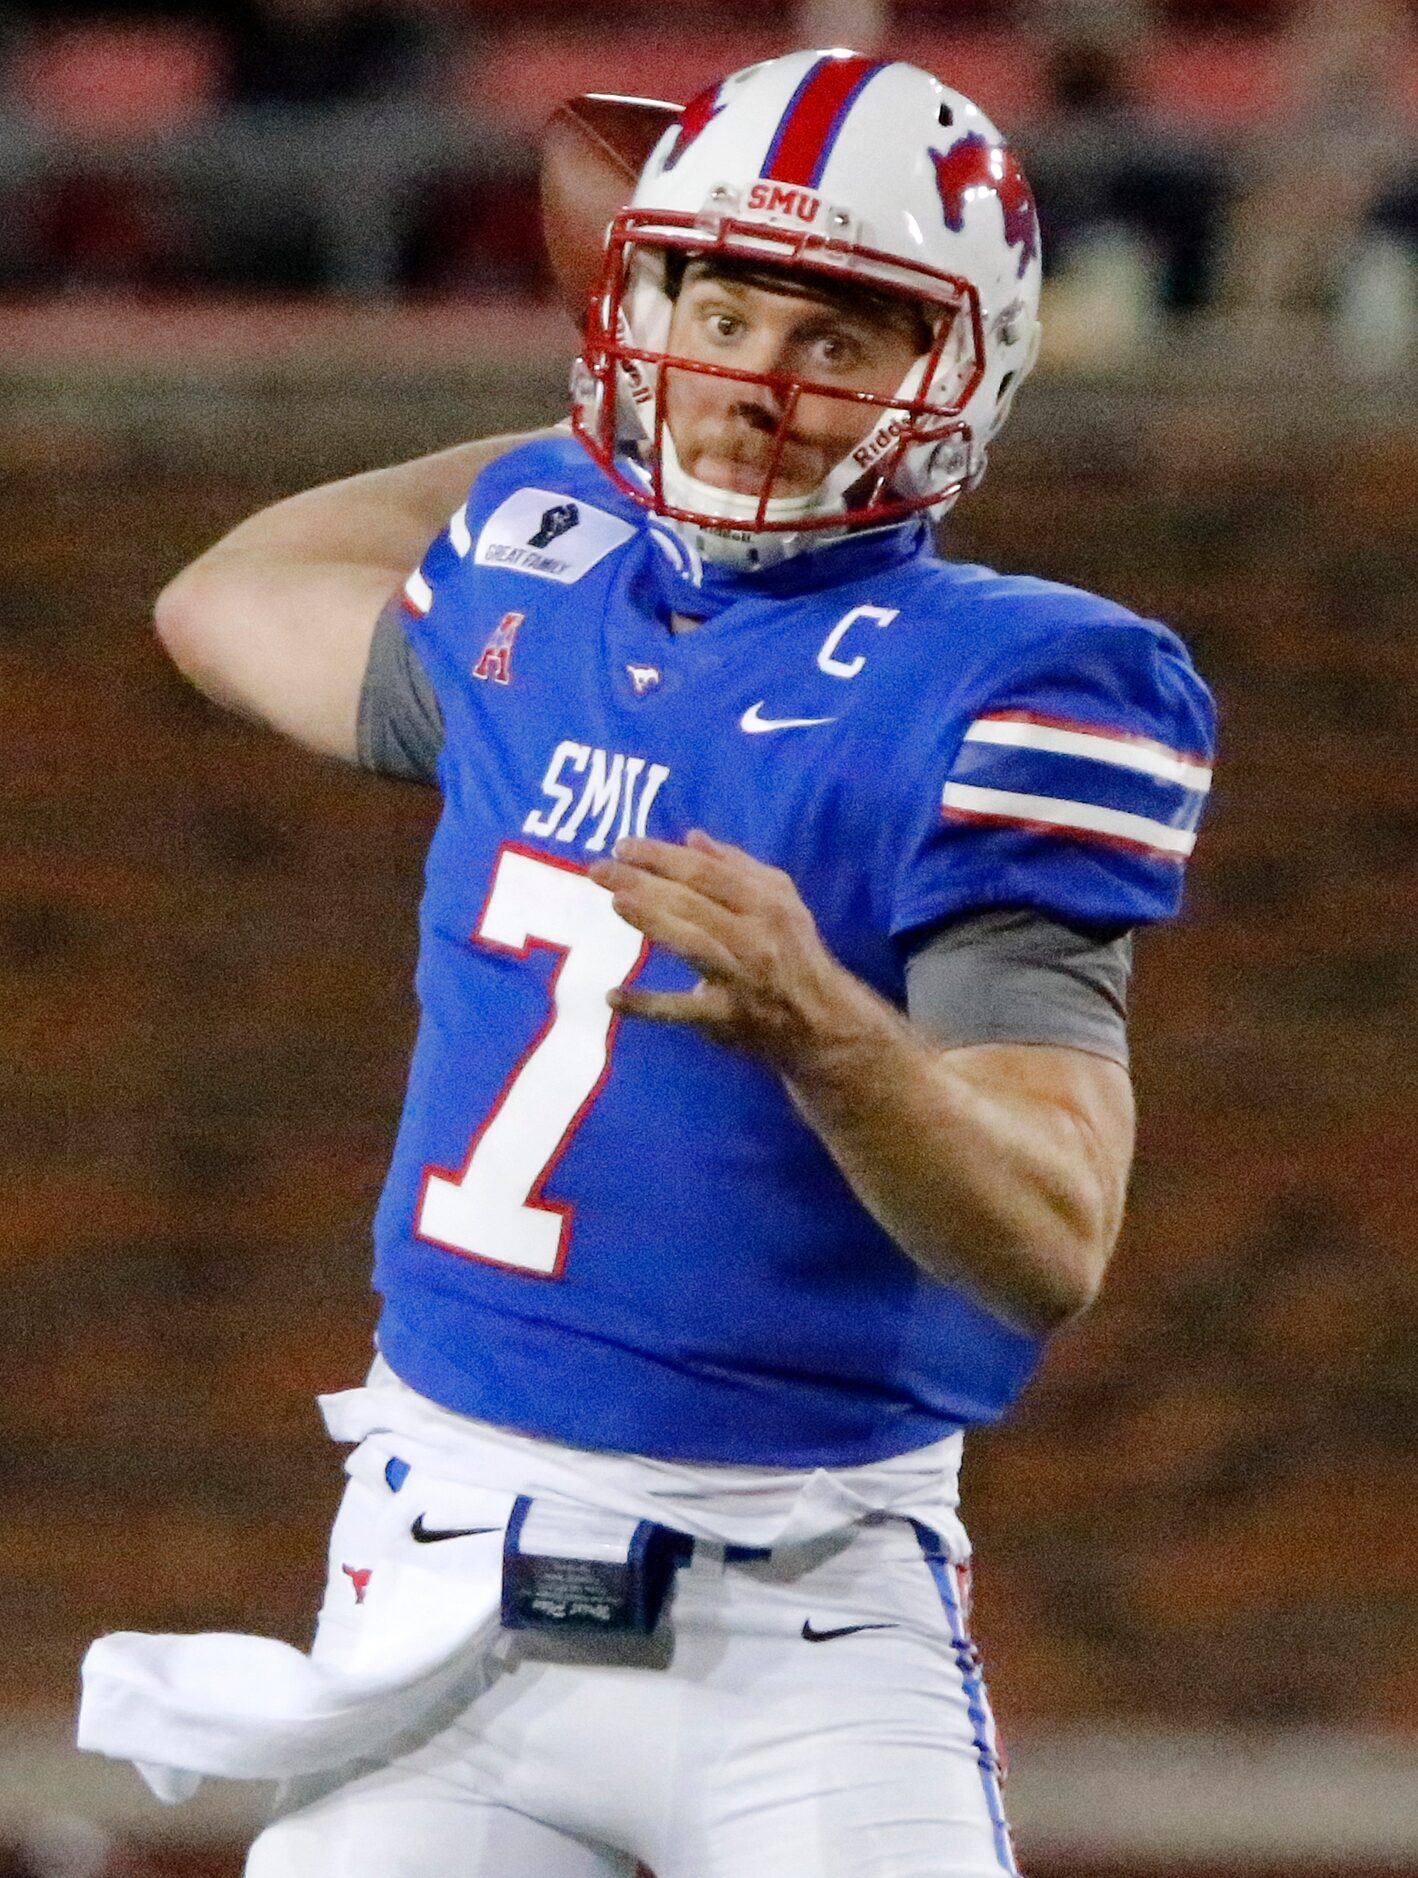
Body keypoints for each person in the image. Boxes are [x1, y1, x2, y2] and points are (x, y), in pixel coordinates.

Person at [78, 50, 1214, 1877]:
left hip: (805, 1625)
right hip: (432, 1601)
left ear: (953, 372)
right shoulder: (542, 597)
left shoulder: (1017, 680)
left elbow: (1049, 1238)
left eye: (837, 338)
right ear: (637, 303)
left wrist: (831, 1035)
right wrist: (595, 438)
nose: (758, 379)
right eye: (718, 304)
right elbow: (221, 597)